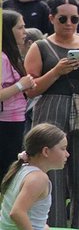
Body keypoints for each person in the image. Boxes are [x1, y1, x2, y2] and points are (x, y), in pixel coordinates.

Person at [23, 0, 79, 229]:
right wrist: (56, 71)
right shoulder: (41, 46)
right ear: (52, 18)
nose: (69, 23)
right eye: (63, 18)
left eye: (75, 19)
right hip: (51, 108)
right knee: (50, 172)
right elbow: (31, 90)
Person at [0, 12, 37, 174]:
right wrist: (20, 85)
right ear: (7, 30)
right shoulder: (2, 58)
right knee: (8, 170)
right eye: (20, 27)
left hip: (16, 118)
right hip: (6, 121)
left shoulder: (10, 56)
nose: (25, 32)